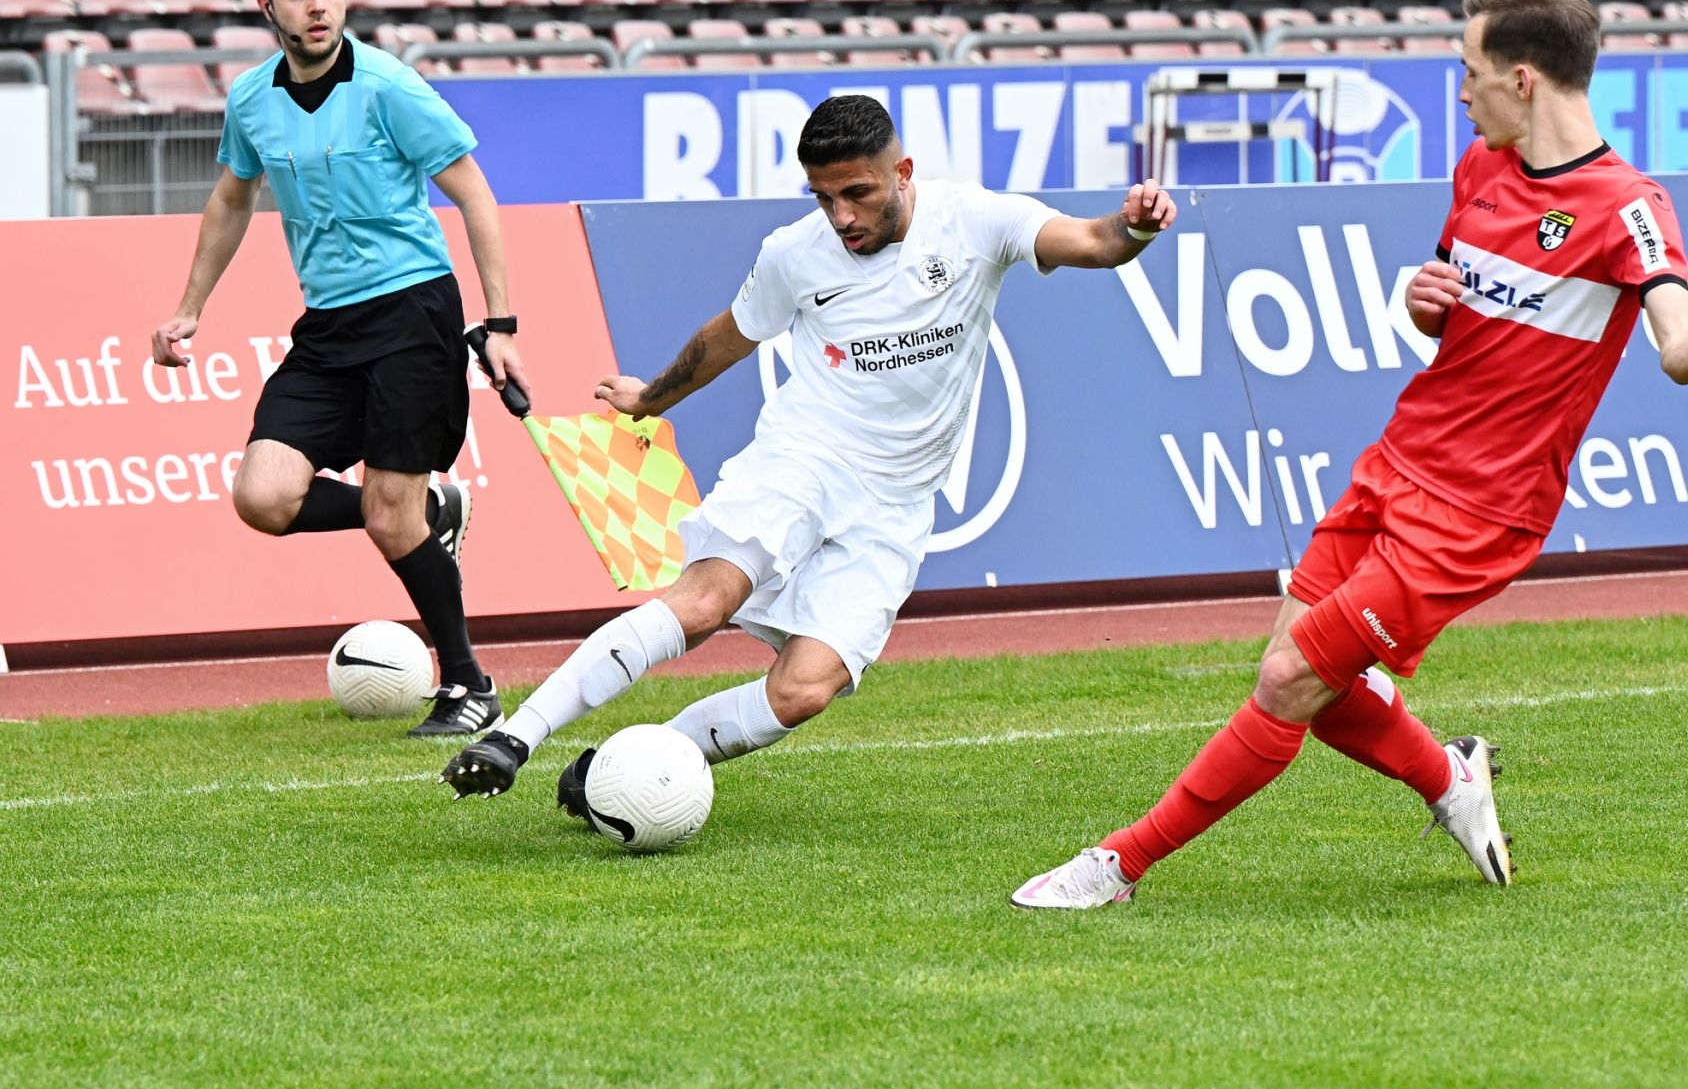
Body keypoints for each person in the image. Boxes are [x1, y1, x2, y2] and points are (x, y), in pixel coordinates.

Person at [1012, 0, 1688, 909]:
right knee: (1310, 674)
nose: (1461, 92)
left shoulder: (1628, 206)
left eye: (1470, 71)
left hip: (1479, 513)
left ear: (1523, 79)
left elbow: (1676, 343)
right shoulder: (1480, 169)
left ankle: (1118, 865)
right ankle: (1451, 778)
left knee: (1291, 677)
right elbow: (1453, 314)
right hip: (1398, 462)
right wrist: (1425, 304)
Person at [439, 94, 1176, 805]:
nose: (841, 216)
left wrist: (1135, 226)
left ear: (903, 172)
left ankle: (625, 767)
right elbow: (727, 338)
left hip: (896, 504)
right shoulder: (794, 253)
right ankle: (514, 737)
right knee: (705, 602)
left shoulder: (976, 221)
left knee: (803, 690)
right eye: (824, 198)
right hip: (804, 458)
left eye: (857, 193)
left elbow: (1096, 242)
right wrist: (650, 399)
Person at [149, 0, 530, 738]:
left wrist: (499, 323)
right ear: (266, 5)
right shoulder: (251, 98)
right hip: (327, 329)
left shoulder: (389, 86)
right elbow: (232, 199)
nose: (317, 6)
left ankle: (469, 685)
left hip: (412, 313)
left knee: (392, 521)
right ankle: (430, 512)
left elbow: (475, 194)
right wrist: (190, 307)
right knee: (262, 497)